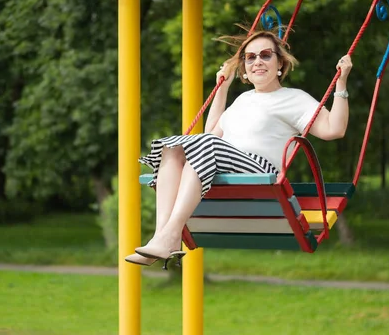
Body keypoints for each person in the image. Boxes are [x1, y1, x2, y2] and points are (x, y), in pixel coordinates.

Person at [125, 28, 353, 267]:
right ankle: (162, 235)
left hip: (258, 170)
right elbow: (211, 134)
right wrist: (222, 88)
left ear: (280, 63)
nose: (257, 61)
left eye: (265, 55)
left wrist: (341, 83)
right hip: (221, 164)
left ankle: (171, 233)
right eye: (250, 57)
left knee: (201, 145)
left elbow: (333, 129)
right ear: (244, 68)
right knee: (173, 149)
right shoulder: (242, 100)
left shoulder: (294, 98)